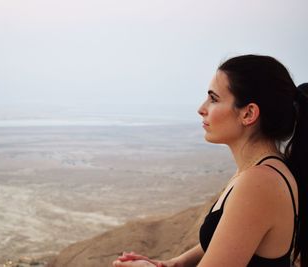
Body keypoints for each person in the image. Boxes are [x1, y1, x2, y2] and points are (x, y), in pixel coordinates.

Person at [112, 55, 307, 267]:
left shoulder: (259, 183)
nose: (201, 108)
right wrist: (174, 263)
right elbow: (231, 236)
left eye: (214, 99)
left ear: (248, 113)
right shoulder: (258, 171)